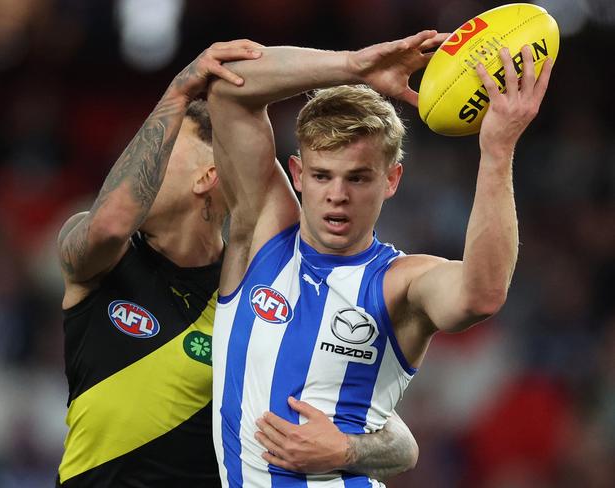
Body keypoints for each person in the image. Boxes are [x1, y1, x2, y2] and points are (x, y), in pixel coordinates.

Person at [55, 40, 418, 487]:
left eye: (159, 148)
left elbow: (397, 440)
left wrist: (348, 449)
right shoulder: (100, 259)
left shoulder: (262, 286)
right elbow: (111, 223)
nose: (132, 167)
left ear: (208, 177)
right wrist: (175, 94)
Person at [207, 31, 553, 487]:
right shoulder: (261, 236)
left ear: (391, 180)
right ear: (298, 174)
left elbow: (483, 294)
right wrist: (353, 66)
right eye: (322, 175)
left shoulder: (399, 283)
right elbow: (229, 88)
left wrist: (497, 151)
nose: (337, 196)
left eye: (358, 178)